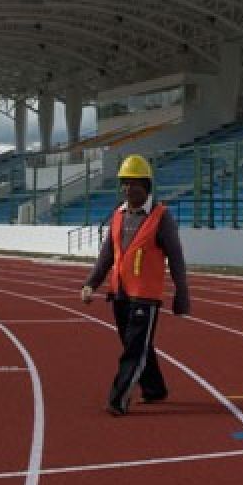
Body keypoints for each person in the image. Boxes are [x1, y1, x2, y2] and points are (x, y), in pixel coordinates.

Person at [81, 154, 190, 416]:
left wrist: (181, 294)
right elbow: (107, 254)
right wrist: (90, 284)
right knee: (136, 345)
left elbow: (176, 259)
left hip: (146, 296)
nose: (127, 188)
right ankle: (154, 388)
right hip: (119, 294)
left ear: (146, 185)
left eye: (133, 183)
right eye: (124, 183)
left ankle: (118, 399)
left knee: (134, 349)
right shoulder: (118, 215)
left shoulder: (162, 218)